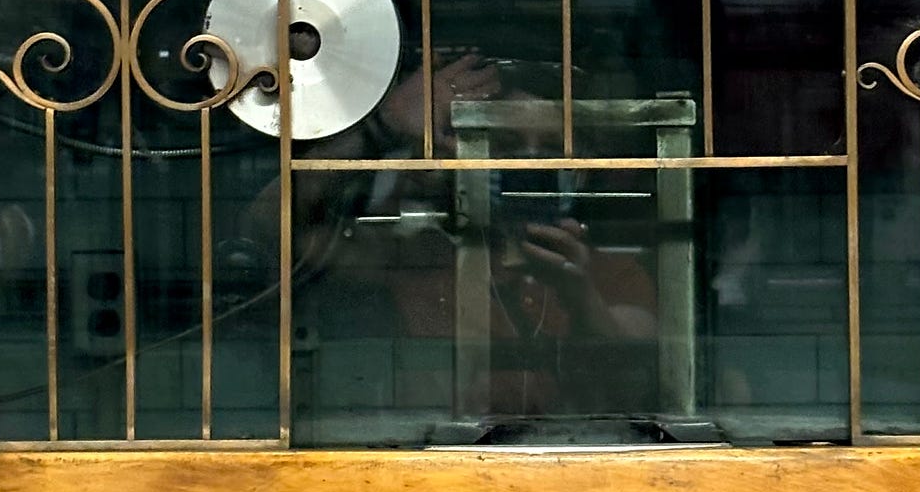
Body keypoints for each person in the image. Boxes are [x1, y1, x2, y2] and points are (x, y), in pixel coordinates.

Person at [242, 50, 658, 427]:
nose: (531, 164)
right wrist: (378, 131)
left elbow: (641, 381)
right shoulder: (413, 258)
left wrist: (579, 294)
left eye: (551, 148)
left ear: (581, 169)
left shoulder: (610, 273)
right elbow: (265, 233)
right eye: (507, 145)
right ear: (464, 152)